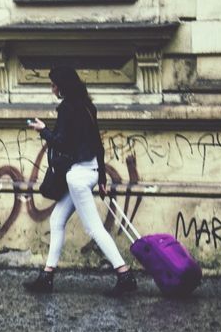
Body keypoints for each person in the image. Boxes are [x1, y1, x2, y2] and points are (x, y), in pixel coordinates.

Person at [24, 66, 137, 296]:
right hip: (91, 170)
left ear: (63, 86)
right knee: (57, 219)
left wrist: (43, 130)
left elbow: (62, 143)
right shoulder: (87, 106)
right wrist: (102, 178)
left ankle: (124, 275)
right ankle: (47, 277)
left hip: (78, 176)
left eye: (54, 84)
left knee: (94, 228)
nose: (52, 88)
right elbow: (98, 144)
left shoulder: (67, 109)